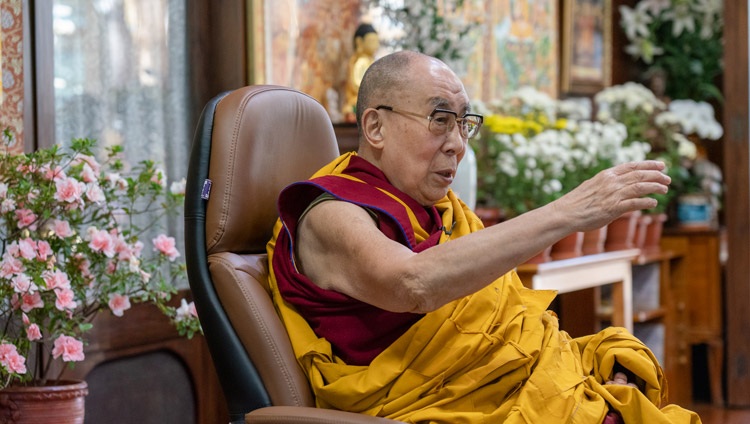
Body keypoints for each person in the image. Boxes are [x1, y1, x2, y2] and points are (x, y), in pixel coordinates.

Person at [267, 51, 700, 423]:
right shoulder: (330, 212)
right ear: (376, 127)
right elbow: (411, 283)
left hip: (504, 393)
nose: (457, 143)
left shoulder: (444, 214)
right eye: (440, 120)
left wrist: (583, 370)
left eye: (464, 124)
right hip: (443, 406)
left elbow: (511, 332)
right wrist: (568, 212)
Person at [342, 23, 380, 123]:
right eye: (372, 41)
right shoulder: (361, 62)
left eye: (377, 41)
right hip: (359, 100)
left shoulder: (370, 61)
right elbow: (357, 85)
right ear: (359, 42)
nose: (376, 45)